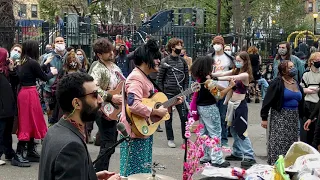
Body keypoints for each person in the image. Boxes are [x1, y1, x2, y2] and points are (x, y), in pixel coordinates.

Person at [38, 72, 120, 180]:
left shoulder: (55, 130)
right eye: (95, 95)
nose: (100, 99)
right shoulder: (71, 147)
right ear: (76, 103)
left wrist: (92, 176)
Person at [120, 39, 182, 177]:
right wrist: (154, 111)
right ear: (145, 59)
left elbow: (148, 102)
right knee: (134, 174)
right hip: (134, 133)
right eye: (155, 58)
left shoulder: (143, 77)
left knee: (143, 172)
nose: (158, 61)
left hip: (142, 131)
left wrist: (171, 103)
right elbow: (134, 104)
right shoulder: (136, 78)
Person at [14, 40, 58, 167]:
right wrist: (52, 73)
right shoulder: (32, 62)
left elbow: (33, 72)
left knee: (30, 120)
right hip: (29, 93)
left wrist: (45, 65)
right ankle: (19, 152)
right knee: (28, 121)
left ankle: (29, 150)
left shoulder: (24, 61)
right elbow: (44, 77)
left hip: (25, 93)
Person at [211, 51, 257, 169]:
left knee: (241, 130)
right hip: (232, 104)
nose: (237, 62)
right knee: (233, 129)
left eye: (239, 61)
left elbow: (231, 77)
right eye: (236, 60)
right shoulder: (236, 70)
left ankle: (249, 156)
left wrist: (214, 77)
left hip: (240, 105)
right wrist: (212, 74)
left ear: (245, 62)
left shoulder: (245, 75)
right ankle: (237, 152)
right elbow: (224, 73)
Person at [190, 56, 233, 167]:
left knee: (205, 132)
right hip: (209, 107)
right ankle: (217, 159)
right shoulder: (208, 81)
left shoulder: (200, 80)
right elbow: (219, 95)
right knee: (215, 132)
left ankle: (205, 156)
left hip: (201, 107)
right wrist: (230, 87)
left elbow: (214, 85)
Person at [261, 60, 304, 165]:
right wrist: (264, 118)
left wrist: (308, 117)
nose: (293, 69)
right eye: (289, 67)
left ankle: (288, 166)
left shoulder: (296, 83)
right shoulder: (277, 83)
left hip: (293, 118)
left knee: (291, 143)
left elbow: (302, 103)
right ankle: (276, 166)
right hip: (280, 117)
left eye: (293, 66)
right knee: (278, 143)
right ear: (283, 70)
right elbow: (267, 100)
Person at [90, 38, 123, 171]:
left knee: (110, 145)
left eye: (111, 50)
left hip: (114, 110)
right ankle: (97, 173)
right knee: (108, 145)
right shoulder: (97, 68)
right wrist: (111, 96)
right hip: (102, 109)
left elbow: (122, 83)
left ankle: (100, 172)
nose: (111, 53)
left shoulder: (115, 67)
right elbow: (92, 87)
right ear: (99, 55)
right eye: (107, 52)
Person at [157, 37, 189, 148]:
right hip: (168, 94)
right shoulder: (165, 61)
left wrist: (184, 93)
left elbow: (186, 78)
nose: (181, 47)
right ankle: (170, 139)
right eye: (179, 45)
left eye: (181, 45)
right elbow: (159, 80)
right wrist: (163, 95)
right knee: (168, 118)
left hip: (180, 94)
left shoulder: (183, 61)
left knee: (184, 117)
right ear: (172, 47)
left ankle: (185, 139)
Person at [208, 36, 234, 148]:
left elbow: (233, 73)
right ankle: (213, 139)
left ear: (223, 45)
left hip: (225, 89)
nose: (216, 45)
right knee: (212, 116)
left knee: (223, 116)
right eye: (214, 43)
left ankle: (223, 140)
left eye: (218, 43)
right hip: (212, 90)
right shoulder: (209, 58)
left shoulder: (229, 58)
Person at [0, 48, 19, 166]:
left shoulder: (6, 71)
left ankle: (8, 152)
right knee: (1, 131)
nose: (8, 59)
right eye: (6, 57)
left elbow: (16, 81)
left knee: (7, 131)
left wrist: (12, 70)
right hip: (2, 107)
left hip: (9, 107)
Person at [42, 36, 67, 125]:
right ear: (54, 44)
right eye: (57, 41)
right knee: (51, 116)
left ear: (65, 43)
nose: (60, 43)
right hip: (50, 90)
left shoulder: (69, 56)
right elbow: (41, 73)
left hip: (65, 90)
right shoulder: (48, 57)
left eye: (61, 41)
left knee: (64, 116)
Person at [301, 52, 320, 145]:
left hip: (318, 103)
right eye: (317, 60)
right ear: (311, 61)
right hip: (309, 103)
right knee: (307, 131)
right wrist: (309, 90)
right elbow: (301, 88)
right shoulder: (306, 74)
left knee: (317, 131)